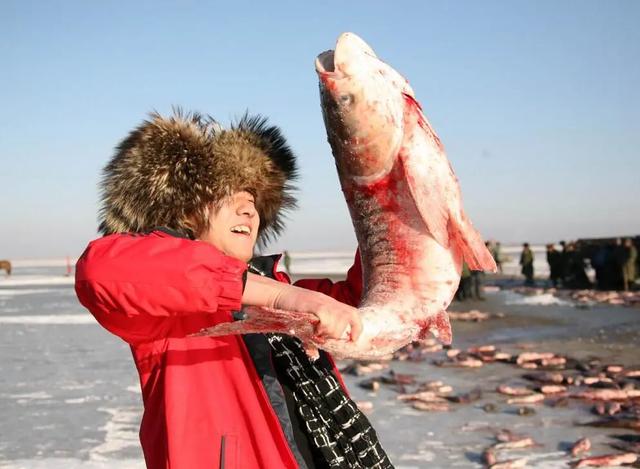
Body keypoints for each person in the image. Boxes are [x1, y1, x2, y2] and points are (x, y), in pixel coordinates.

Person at [75, 111, 393, 469]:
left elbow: (368, 300)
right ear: (186, 214)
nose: (248, 210)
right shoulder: (167, 318)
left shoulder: (285, 290)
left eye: (254, 201)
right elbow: (99, 271)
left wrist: (393, 208)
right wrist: (282, 297)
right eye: (227, 196)